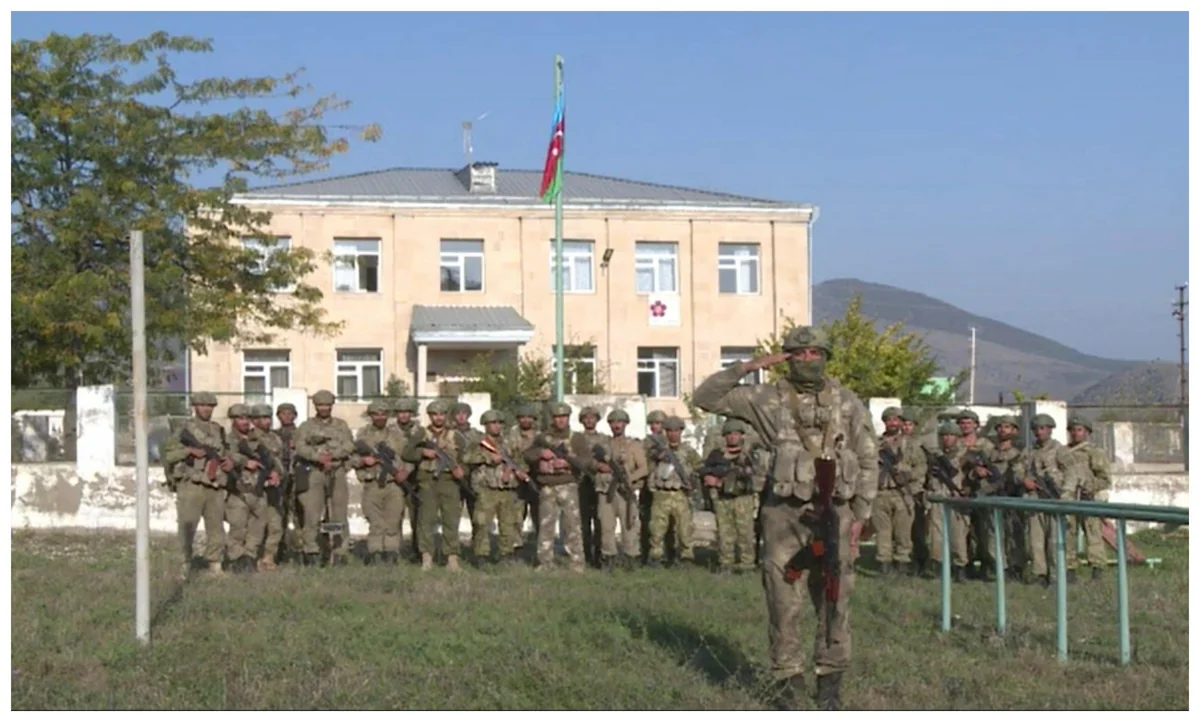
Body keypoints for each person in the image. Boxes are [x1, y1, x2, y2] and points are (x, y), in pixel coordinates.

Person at [691, 326, 877, 711]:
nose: (807, 359)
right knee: (782, 598)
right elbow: (705, 396)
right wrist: (750, 365)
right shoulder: (764, 398)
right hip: (784, 514)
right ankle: (787, 681)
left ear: (826, 356)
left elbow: (868, 457)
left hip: (836, 512)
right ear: (786, 358)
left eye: (814, 352)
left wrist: (861, 514)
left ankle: (830, 681)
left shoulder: (848, 401)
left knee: (835, 596)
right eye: (798, 353)